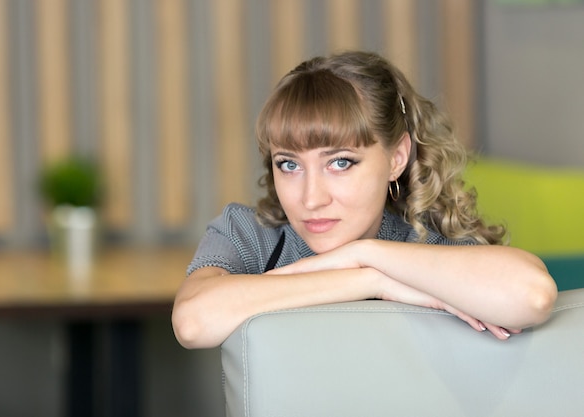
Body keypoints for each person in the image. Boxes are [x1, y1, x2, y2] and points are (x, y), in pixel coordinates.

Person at [172, 50, 557, 349]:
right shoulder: (251, 235)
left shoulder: (427, 242)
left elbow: (531, 295)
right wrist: (370, 281)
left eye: (340, 162)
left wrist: (365, 253)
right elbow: (193, 322)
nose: (311, 197)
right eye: (288, 164)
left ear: (396, 158)